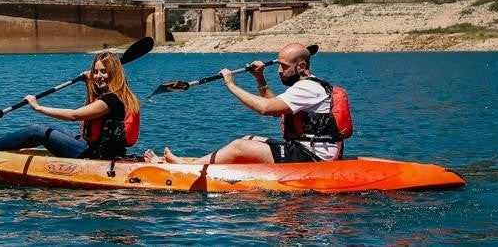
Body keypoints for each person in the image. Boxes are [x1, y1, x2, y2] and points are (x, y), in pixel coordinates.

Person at [144, 42, 350, 164]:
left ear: (302, 66)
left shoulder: (308, 88)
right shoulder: (308, 86)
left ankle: (185, 166)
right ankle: (201, 162)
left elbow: (264, 108)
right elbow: (277, 107)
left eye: (284, 67)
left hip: (311, 156)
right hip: (305, 149)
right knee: (249, 137)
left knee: (240, 146)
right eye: (279, 66)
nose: (279, 71)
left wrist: (230, 84)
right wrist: (259, 78)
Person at [0, 51, 141, 160]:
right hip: (101, 149)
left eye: (104, 72)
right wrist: (88, 83)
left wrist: (38, 107)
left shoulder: (111, 100)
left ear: (114, 73)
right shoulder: (118, 94)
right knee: (54, 128)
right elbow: (95, 110)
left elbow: (75, 115)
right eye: (96, 71)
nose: (99, 76)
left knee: (37, 130)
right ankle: (2, 143)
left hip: (96, 157)